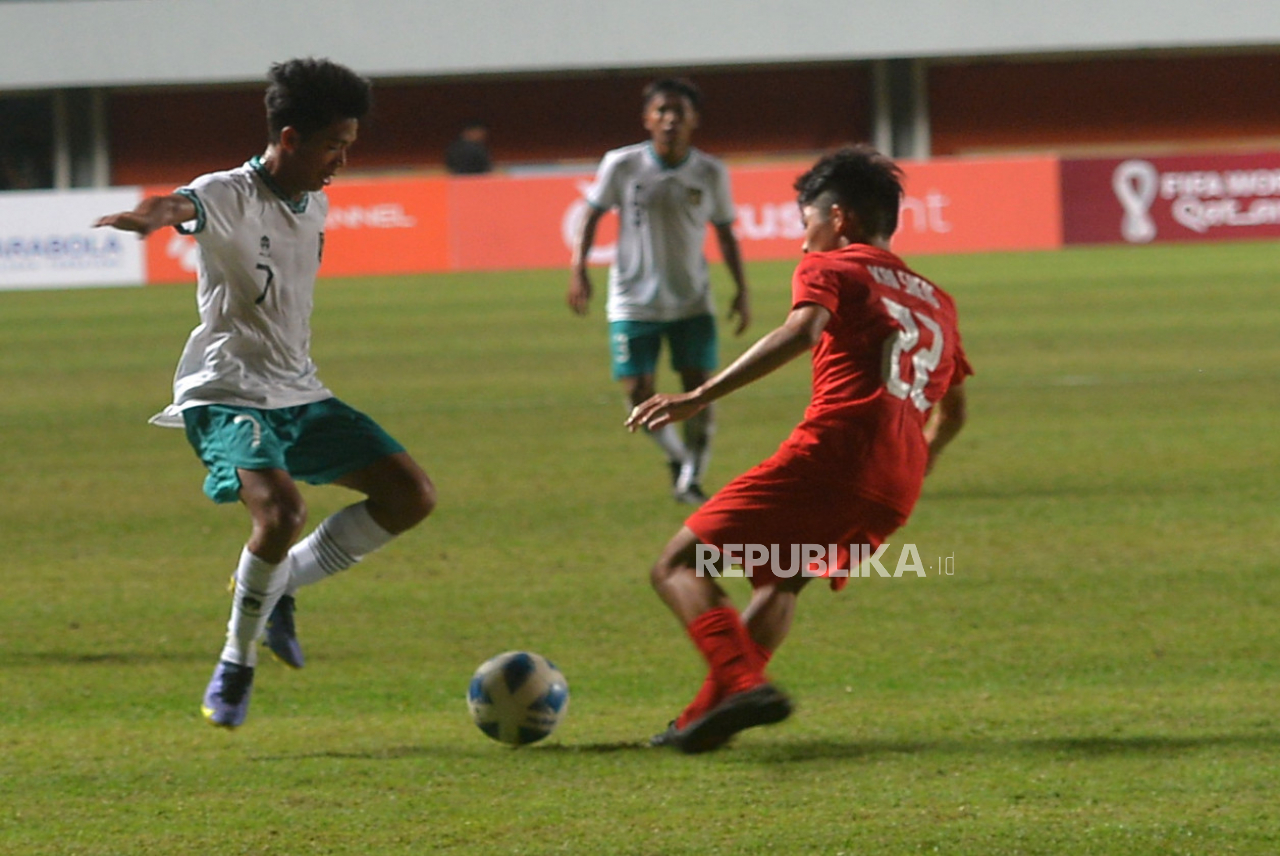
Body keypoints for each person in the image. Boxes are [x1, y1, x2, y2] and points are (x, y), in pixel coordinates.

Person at [94, 58, 436, 729]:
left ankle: (281, 586)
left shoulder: (316, 202)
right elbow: (177, 204)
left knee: (410, 496)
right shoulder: (226, 192)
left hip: (297, 390)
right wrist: (147, 217)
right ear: (288, 139)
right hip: (225, 391)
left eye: (348, 146)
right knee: (280, 512)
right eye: (333, 146)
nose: (340, 162)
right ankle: (235, 663)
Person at [626, 145, 972, 753]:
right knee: (782, 578)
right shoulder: (936, 299)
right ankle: (701, 720)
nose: (802, 238)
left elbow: (802, 330)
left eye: (805, 220)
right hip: (899, 480)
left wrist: (698, 395)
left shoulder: (834, 267)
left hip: (836, 456)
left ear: (839, 219)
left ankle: (739, 681)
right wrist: (916, 459)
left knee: (678, 564)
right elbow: (955, 411)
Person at [568, 77, 750, 505]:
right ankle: (679, 457)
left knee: (698, 391)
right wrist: (578, 269)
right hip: (633, 299)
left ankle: (690, 480)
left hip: (691, 299)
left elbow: (726, 233)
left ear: (693, 120)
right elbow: (591, 216)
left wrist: (742, 290)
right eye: (662, 111)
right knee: (637, 391)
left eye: (679, 112)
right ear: (647, 119)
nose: (670, 119)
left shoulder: (709, 171)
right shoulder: (622, 164)